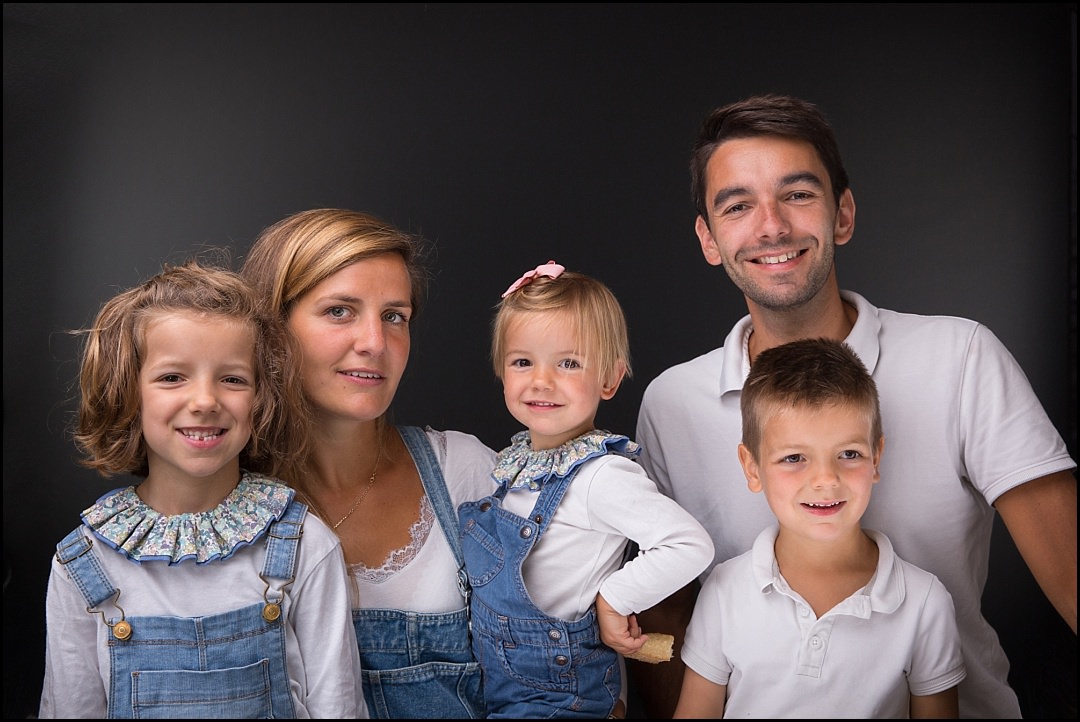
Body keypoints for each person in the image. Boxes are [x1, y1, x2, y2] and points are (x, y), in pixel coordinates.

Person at [632, 93, 1077, 719]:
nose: (771, 227)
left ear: (843, 214)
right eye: (737, 206)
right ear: (709, 239)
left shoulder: (962, 357)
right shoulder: (671, 403)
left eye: (797, 194)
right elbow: (665, 618)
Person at [38, 259, 364, 719]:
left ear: (260, 399)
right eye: (172, 377)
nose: (205, 401)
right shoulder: (84, 563)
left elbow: (339, 707)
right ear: (129, 394)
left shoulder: (305, 547)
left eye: (232, 379)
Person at [240, 208, 497, 719]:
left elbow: (562, 657)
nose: (375, 343)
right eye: (339, 311)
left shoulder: (463, 473)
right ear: (271, 328)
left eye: (394, 316)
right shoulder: (222, 508)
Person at [459, 261, 714, 719]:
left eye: (569, 363)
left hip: (561, 698)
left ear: (609, 379)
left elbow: (688, 544)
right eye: (523, 361)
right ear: (502, 371)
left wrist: (614, 599)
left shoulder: (601, 475)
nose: (541, 379)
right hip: (498, 689)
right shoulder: (514, 466)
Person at [674, 337, 965, 718]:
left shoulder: (924, 603)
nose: (826, 480)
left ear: (876, 457)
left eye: (849, 454)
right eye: (794, 458)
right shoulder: (725, 590)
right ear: (752, 467)